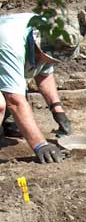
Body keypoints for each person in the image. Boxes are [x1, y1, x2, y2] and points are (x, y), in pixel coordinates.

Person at [0, 12, 81, 163]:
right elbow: (15, 102)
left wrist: (57, 111)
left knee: (16, 121)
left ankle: (7, 123)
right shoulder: (10, 43)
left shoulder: (51, 30)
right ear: (41, 48)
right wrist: (40, 144)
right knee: (1, 105)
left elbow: (44, 74)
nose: (56, 62)